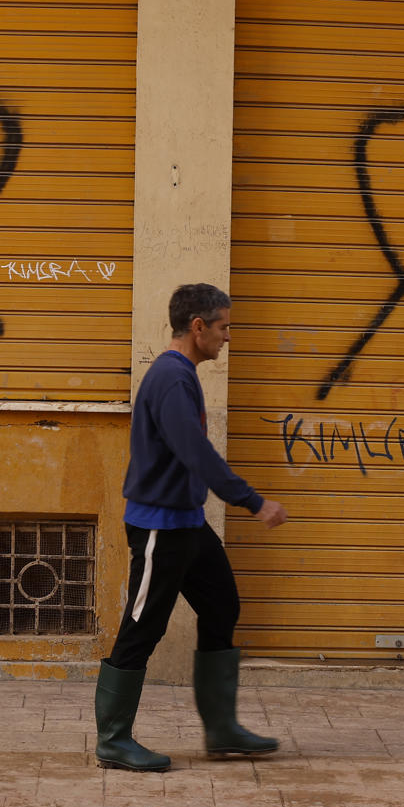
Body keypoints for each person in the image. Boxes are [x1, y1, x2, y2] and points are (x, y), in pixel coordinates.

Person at [94, 282, 289, 772]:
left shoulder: (182, 374)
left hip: (187, 522)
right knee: (142, 628)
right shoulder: (172, 379)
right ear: (198, 327)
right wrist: (253, 501)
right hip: (160, 526)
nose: (228, 337)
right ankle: (113, 740)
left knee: (222, 605)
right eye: (223, 327)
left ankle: (222, 730)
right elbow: (195, 453)